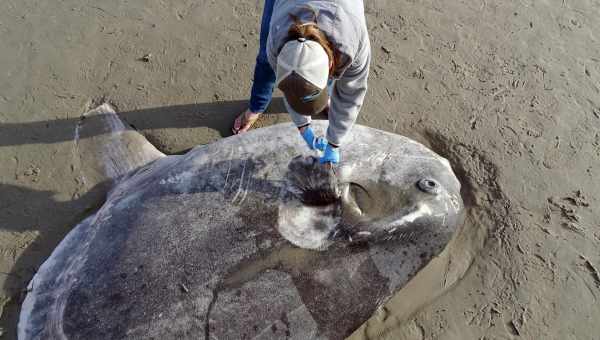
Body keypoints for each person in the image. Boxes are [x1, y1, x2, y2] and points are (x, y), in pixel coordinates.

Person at [232, 0, 370, 166]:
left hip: (342, 11)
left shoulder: (352, 43)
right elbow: (291, 87)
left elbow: (350, 97)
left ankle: (322, 97)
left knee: (329, 79)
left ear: (331, 64)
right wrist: (303, 127)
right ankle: (257, 106)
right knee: (264, 61)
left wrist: (334, 143)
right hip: (286, 6)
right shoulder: (276, 38)